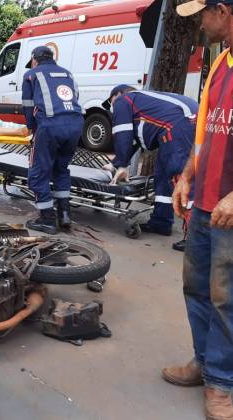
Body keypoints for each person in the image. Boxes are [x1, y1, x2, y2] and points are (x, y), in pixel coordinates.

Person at [161, 1, 233, 418]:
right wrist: (188, 174)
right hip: (204, 205)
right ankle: (204, 363)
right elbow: (204, 131)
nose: (199, 24)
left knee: (227, 298)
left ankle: (221, 384)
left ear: (222, 11)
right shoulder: (220, 63)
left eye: (202, 15)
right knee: (197, 289)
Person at [103, 85, 197, 249]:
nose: (113, 108)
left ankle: (194, 238)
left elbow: (123, 135)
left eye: (111, 102)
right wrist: (116, 164)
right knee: (162, 174)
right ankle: (161, 222)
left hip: (179, 126)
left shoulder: (123, 101)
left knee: (181, 176)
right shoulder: (145, 100)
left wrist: (122, 165)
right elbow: (133, 139)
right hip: (188, 122)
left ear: (118, 94)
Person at [22, 46, 83, 234]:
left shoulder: (31, 75)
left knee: (38, 173)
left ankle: (47, 219)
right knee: (60, 169)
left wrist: (33, 130)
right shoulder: (68, 74)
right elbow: (75, 98)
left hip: (49, 126)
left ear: (34, 59)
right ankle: (64, 215)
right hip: (75, 124)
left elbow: (27, 105)